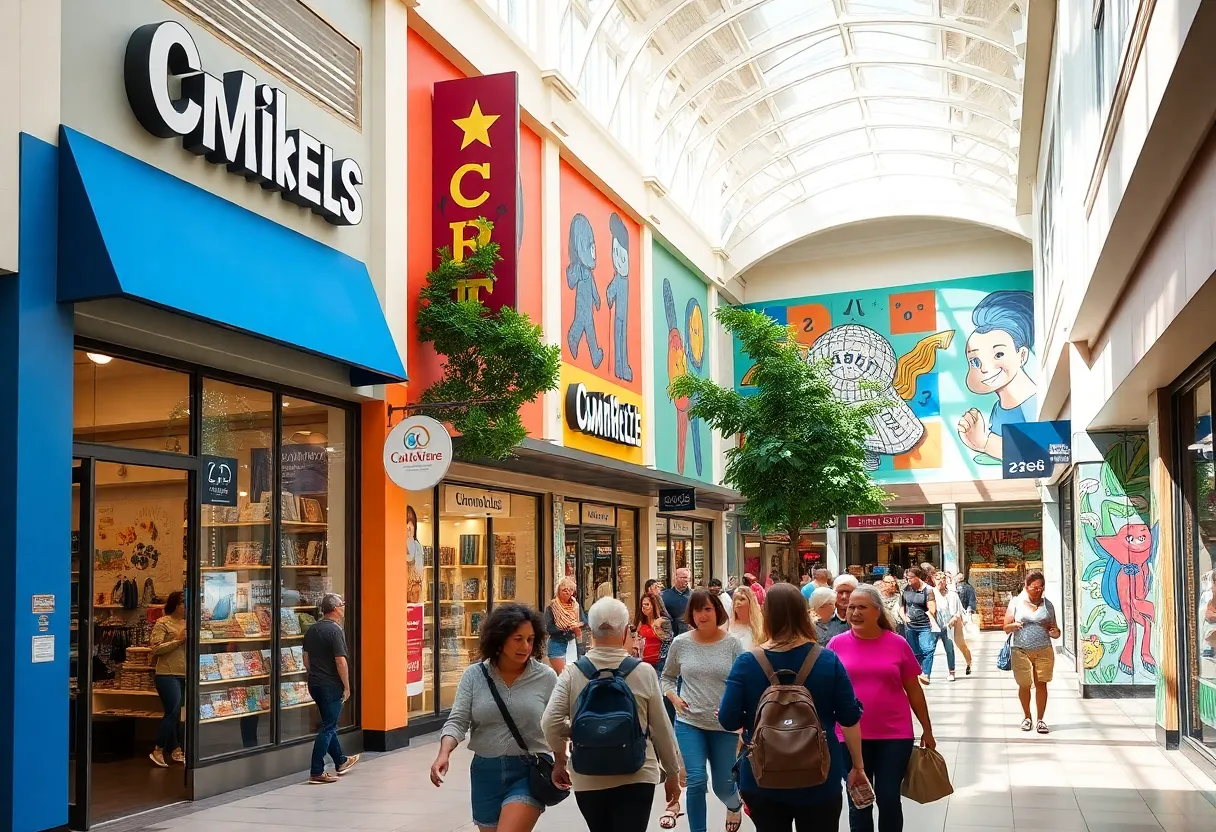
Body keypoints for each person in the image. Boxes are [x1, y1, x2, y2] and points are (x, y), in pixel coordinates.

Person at [719, 583, 869, 831]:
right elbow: (849, 716)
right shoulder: (827, 659)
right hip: (819, 776)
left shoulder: (747, 662)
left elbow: (728, 719)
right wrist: (858, 765)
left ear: (767, 615)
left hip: (763, 776)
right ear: (803, 613)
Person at [543, 598, 682, 832]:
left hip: (588, 775)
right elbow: (661, 729)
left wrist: (568, 748)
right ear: (626, 631)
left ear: (591, 631)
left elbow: (549, 723)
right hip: (637, 773)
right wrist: (672, 773)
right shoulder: (643, 672)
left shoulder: (572, 673)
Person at [431, 604, 558, 832]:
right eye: (518, 639)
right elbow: (458, 721)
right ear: (500, 639)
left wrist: (562, 761)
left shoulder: (545, 677)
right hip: (485, 771)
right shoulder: (474, 676)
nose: (525, 646)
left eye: (530, 639)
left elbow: (557, 723)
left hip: (527, 770)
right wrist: (444, 753)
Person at [829, 584, 935, 832]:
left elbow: (914, 690)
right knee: (859, 802)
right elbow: (827, 691)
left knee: (888, 798)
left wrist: (927, 729)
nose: (855, 612)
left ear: (877, 611)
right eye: (851, 607)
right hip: (849, 736)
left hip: (894, 735)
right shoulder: (836, 644)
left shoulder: (897, 644)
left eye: (862, 607)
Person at [662, 590, 744, 832]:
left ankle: (734, 804)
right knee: (696, 780)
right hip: (689, 723)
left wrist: (738, 714)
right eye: (697, 610)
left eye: (707, 609)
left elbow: (744, 682)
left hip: (724, 725)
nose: (702, 615)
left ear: (717, 611)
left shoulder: (733, 644)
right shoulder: (681, 643)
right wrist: (673, 697)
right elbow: (667, 677)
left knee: (723, 786)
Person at [303, 593, 359, 783]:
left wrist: (315, 674)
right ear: (335, 608)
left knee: (329, 722)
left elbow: (306, 659)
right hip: (331, 685)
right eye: (342, 605)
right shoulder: (335, 631)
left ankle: (341, 761)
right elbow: (340, 661)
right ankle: (316, 771)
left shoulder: (312, 629)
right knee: (328, 727)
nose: (344, 608)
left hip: (315, 683)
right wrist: (347, 686)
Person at [1004, 570, 1060, 734]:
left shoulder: (1048, 605)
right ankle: (1027, 717)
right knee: (1024, 684)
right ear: (1026, 586)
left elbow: (1056, 630)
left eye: (1041, 587)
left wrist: (1055, 632)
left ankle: (1040, 720)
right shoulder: (1016, 602)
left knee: (1042, 683)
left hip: (1044, 649)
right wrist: (1013, 626)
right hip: (1020, 650)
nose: (1038, 591)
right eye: (1034, 587)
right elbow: (1006, 627)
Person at [149, 590, 187, 767]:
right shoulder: (162, 623)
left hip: (185, 672)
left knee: (177, 713)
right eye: (182, 603)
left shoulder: (188, 622)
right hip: (167, 673)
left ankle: (176, 749)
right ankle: (158, 749)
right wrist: (178, 640)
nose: (185, 607)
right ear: (174, 605)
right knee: (172, 711)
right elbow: (156, 648)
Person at [899, 567, 936, 685]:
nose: (908, 580)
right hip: (910, 625)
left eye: (910, 578)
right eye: (907, 578)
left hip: (924, 624)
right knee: (914, 652)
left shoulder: (928, 590)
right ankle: (917, 672)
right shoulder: (905, 589)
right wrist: (904, 618)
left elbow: (932, 608)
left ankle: (926, 673)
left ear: (918, 577)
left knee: (928, 649)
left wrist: (930, 613)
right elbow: (901, 607)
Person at [544, 577, 585, 675]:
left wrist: (578, 626)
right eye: (564, 590)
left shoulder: (576, 606)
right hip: (557, 644)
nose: (567, 592)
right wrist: (567, 628)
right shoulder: (552, 607)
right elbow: (549, 628)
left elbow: (584, 621)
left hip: (573, 643)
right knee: (564, 675)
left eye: (570, 590)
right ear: (559, 591)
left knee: (573, 675)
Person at [931, 572, 960, 683]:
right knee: (930, 649)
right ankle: (926, 673)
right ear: (934, 580)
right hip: (934, 625)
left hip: (948, 625)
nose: (941, 581)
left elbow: (957, 610)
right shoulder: (930, 592)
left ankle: (951, 672)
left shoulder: (952, 594)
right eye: (938, 579)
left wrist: (955, 618)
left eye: (943, 579)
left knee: (949, 649)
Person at [634, 593, 672, 672]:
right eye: (642, 605)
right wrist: (635, 648)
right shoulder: (642, 622)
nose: (644, 607)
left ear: (654, 605)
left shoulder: (663, 621)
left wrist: (656, 627)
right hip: (643, 662)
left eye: (647, 604)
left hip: (659, 662)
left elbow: (668, 640)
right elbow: (637, 638)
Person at [949, 572, 974, 674]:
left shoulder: (955, 593)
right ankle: (951, 671)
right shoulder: (935, 592)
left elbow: (961, 606)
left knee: (961, 644)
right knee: (949, 646)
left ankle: (968, 662)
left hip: (957, 619)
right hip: (944, 623)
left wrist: (968, 612)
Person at [726, 584, 764, 651]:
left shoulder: (760, 624)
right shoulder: (727, 624)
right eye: (735, 599)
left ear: (750, 602)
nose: (737, 602)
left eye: (742, 599)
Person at [823, 574, 857, 642]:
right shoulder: (823, 619)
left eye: (848, 592)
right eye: (840, 592)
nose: (844, 597)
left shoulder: (863, 620)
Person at [662, 568, 693, 635]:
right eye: (683, 577)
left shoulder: (694, 595)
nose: (686, 580)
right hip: (670, 634)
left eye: (688, 578)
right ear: (675, 578)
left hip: (689, 634)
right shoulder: (664, 595)